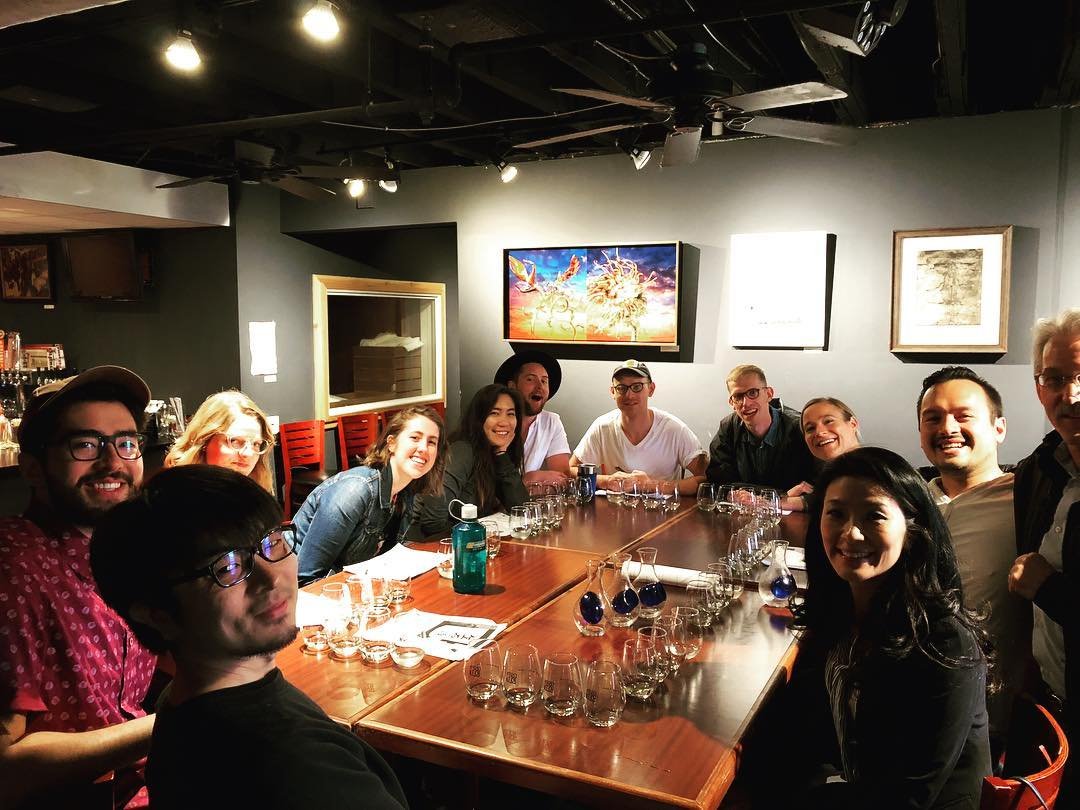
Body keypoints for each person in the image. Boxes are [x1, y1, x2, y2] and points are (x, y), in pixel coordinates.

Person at [89, 465, 408, 810]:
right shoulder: (293, 766)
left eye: (272, 543)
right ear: (155, 612)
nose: (271, 577)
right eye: (227, 568)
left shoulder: (182, 698)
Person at [0, 366, 157, 808]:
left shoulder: (122, 551)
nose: (113, 463)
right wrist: (178, 722)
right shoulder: (15, 566)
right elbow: (5, 772)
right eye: (85, 444)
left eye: (126, 443)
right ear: (32, 467)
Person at [800, 446, 991, 808]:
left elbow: (907, 797)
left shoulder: (943, 643)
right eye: (836, 514)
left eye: (874, 516)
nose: (851, 533)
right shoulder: (841, 611)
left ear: (912, 529)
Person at [917, 365, 1028, 748]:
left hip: (990, 721)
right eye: (933, 418)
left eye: (964, 416)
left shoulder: (1027, 501)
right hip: (908, 702)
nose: (947, 427)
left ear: (999, 428)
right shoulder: (913, 501)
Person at [1009, 307, 1080, 803]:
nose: (1070, 395)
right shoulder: (1040, 469)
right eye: (1054, 378)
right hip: (1048, 707)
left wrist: (1048, 589)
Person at [293, 405, 445, 584]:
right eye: (415, 438)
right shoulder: (356, 490)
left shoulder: (406, 492)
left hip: (352, 590)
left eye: (431, 442)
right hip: (298, 593)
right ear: (391, 443)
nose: (423, 448)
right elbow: (305, 577)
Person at [570, 360, 706, 495]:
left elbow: (704, 479)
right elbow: (570, 470)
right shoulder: (603, 427)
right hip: (615, 511)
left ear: (651, 389)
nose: (629, 395)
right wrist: (607, 481)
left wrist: (651, 485)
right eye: (621, 388)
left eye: (637, 386)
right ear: (613, 392)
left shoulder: (674, 429)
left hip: (663, 512)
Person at [410, 384, 528, 538]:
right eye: (494, 413)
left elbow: (522, 510)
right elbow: (432, 521)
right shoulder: (462, 451)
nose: (504, 422)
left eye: (510, 414)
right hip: (431, 546)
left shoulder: (494, 453)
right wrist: (470, 539)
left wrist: (501, 454)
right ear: (479, 418)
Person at [707, 363, 817, 492]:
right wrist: (779, 495)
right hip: (744, 508)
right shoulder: (728, 427)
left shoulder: (799, 428)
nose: (746, 403)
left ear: (769, 394)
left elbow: (813, 485)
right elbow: (719, 481)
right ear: (732, 402)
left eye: (752, 393)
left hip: (791, 510)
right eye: (738, 397)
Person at [164, 390, 275, 493]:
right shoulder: (177, 494)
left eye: (256, 444)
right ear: (204, 440)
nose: (248, 454)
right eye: (234, 441)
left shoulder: (254, 496)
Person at [494, 349, 571, 484]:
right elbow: (487, 483)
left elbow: (562, 478)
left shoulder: (551, 422)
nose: (539, 386)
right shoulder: (494, 423)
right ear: (512, 386)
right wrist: (528, 479)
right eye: (530, 379)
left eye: (544, 381)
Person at [782, 397, 862, 512]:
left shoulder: (876, 469)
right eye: (810, 428)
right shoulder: (828, 474)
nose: (819, 432)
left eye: (828, 421)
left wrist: (787, 502)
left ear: (853, 424)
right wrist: (788, 497)